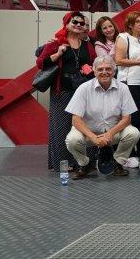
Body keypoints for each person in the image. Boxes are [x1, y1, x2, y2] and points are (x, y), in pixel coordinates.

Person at [36, 11, 96, 171]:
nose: (78, 25)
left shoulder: (88, 46)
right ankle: (63, 163)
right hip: (61, 90)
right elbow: (41, 63)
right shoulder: (56, 43)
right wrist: (58, 53)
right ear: (66, 24)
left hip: (83, 91)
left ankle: (84, 161)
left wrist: (88, 69)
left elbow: (94, 64)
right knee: (61, 127)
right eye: (74, 22)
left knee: (85, 125)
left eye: (82, 23)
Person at [65, 55, 140, 179]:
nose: (104, 72)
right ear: (94, 71)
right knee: (72, 140)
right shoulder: (83, 88)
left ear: (114, 71)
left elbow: (127, 118)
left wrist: (110, 134)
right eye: (100, 69)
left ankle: (118, 163)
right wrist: (93, 137)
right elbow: (75, 119)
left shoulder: (123, 88)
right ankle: (85, 164)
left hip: (113, 132)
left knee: (133, 133)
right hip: (88, 132)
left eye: (108, 69)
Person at [114, 11, 140, 165]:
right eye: (138, 21)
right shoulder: (123, 37)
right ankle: (129, 154)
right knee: (134, 119)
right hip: (130, 83)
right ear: (131, 24)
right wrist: (139, 62)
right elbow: (118, 60)